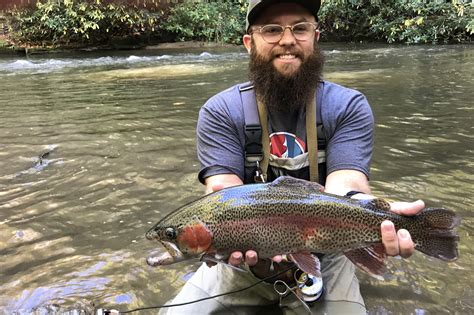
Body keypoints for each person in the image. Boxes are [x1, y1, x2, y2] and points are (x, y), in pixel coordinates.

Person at [162, 0, 424, 314]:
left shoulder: (347, 105)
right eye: (272, 30)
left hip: (329, 254)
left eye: (300, 28)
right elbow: (221, 197)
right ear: (249, 43)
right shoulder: (221, 111)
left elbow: (348, 186)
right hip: (240, 264)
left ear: (315, 37)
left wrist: (375, 217)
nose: (288, 40)